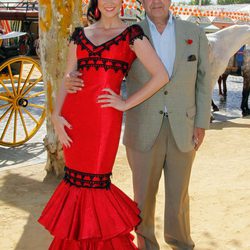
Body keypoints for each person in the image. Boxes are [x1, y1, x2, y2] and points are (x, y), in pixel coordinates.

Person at [66, 0, 212, 249]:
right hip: (142, 127)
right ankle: (146, 246)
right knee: (142, 198)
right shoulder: (129, 33)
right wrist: (72, 78)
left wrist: (201, 123)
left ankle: (181, 243)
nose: (156, 2)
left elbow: (203, 80)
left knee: (179, 196)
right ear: (142, 2)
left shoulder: (194, 33)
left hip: (183, 127)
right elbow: (97, 67)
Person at [38, 0, 169, 249]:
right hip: (72, 119)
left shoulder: (132, 35)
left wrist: (124, 103)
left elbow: (161, 75)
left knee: (95, 184)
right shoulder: (80, 34)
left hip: (103, 123)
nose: (110, 3)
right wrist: (55, 116)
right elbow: (67, 76)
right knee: (75, 183)